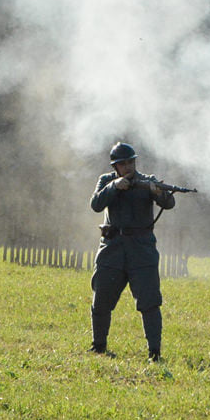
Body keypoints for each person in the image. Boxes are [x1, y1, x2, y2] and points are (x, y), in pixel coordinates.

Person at [89, 142, 175, 361]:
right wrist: (115, 187)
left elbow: (169, 202)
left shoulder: (148, 181)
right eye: (122, 163)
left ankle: (154, 353)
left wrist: (159, 193)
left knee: (149, 302)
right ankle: (98, 346)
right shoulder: (107, 181)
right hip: (113, 249)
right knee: (101, 300)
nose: (127, 167)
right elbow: (96, 204)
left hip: (141, 250)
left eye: (130, 162)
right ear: (115, 166)